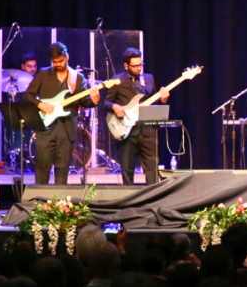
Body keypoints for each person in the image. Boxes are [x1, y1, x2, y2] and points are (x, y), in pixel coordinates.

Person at [21, 42, 100, 184]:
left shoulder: (77, 78)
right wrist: (40, 104)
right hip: (45, 130)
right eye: (55, 62)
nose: (58, 64)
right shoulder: (43, 74)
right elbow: (28, 95)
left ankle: (60, 199)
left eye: (60, 61)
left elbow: (84, 102)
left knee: (62, 173)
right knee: (42, 171)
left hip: (67, 130)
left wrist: (94, 100)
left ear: (67, 57)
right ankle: (40, 198)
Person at [99, 47, 169, 185]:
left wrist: (163, 99)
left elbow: (153, 102)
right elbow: (105, 103)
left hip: (147, 129)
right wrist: (114, 107)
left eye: (140, 64)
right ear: (126, 66)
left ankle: (153, 193)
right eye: (135, 65)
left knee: (152, 168)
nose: (139, 68)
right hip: (127, 130)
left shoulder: (148, 78)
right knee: (127, 169)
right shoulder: (117, 80)